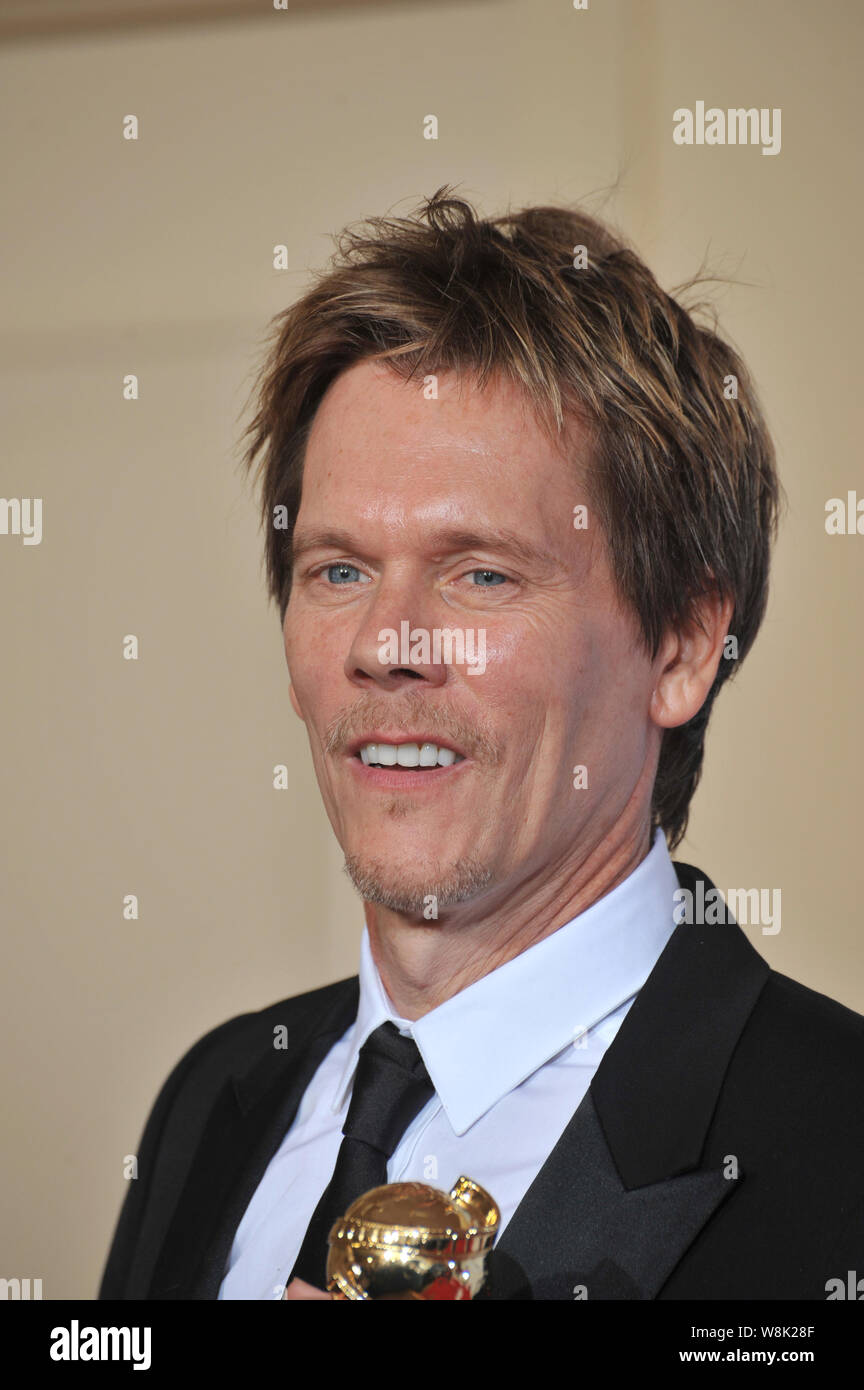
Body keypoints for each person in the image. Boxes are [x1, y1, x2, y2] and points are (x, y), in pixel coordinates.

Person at [99, 187, 863, 1301]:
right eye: (339, 571)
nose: (384, 644)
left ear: (685, 644)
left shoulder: (840, 1143)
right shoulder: (212, 1098)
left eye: (482, 573)